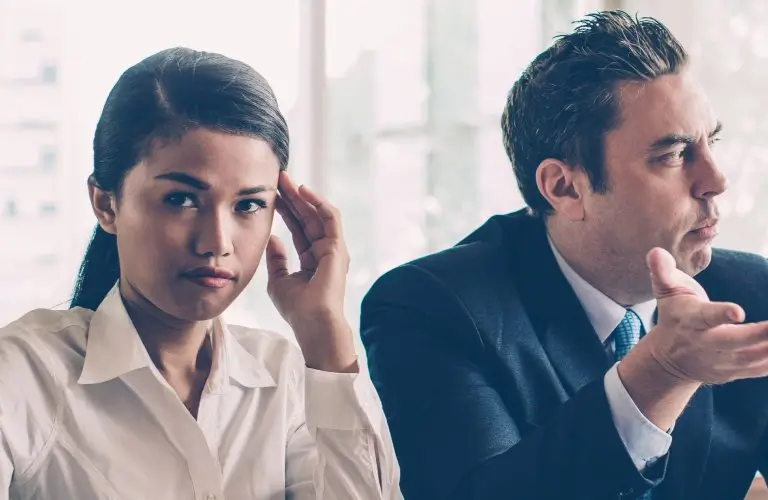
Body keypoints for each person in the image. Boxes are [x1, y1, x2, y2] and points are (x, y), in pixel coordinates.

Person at [361, 10, 768, 500]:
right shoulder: (432, 308)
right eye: (673, 155)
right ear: (565, 188)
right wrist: (659, 374)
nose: (716, 180)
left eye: (711, 142)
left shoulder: (752, 293)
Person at [0, 47, 401, 500]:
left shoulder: (285, 379)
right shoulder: (22, 374)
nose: (218, 241)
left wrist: (324, 332)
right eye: (181, 200)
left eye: (248, 205)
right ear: (106, 204)